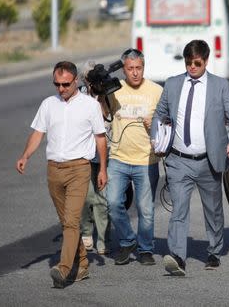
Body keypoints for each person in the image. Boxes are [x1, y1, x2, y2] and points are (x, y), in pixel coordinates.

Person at [151, 40, 229, 276]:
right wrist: (156, 137)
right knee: (179, 209)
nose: (192, 66)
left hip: (208, 160)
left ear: (206, 60)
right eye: (188, 62)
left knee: (213, 210)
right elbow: (159, 114)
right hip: (178, 160)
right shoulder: (172, 84)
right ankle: (178, 257)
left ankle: (213, 250)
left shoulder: (220, 85)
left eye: (197, 63)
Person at [16, 61, 107, 288]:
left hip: (79, 168)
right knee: (67, 221)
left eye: (65, 84)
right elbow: (37, 133)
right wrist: (25, 156)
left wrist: (103, 168)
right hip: (54, 170)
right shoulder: (48, 104)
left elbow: (100, 138)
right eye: (56, 84)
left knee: (71, 220)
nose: (61, 89)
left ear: (75, 81)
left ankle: (64, 269)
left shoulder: (90, 105)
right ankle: (83, 263)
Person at [106, 49, 163, 266]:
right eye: (130, 69)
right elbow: (103, 114)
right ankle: (127, 240)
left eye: (138, 68)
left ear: (143, 68)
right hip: (118, 158)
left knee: (145, 208)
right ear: (124, 70)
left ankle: (145, 249)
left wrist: (156, 125)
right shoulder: (114, 90)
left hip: (146, 160)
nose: (135, 73)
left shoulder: (156, 91)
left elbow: (167, 122)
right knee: (112, 202)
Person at [78, 61, 112, 255]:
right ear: (86, 80)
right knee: (84, 197)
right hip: (83, 154)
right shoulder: (80, 95)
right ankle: (86, 232)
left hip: (104, 154)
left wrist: (102, 95)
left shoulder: (108, 93)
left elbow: (107, 117)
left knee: (101, 198)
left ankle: (104, 238)